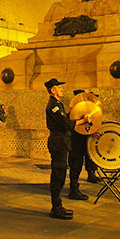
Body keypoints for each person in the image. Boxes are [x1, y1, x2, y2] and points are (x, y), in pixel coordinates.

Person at [44, 78, 91, 220]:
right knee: (58, 174)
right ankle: (56, 207)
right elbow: (65, 124)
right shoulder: (53, 106)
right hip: (58, 141)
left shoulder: (58, 104)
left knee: (61, 172)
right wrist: (82, 121)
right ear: (53, 90)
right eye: (59, 87)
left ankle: (58, 205)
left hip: (62, 141)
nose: (62, 89)